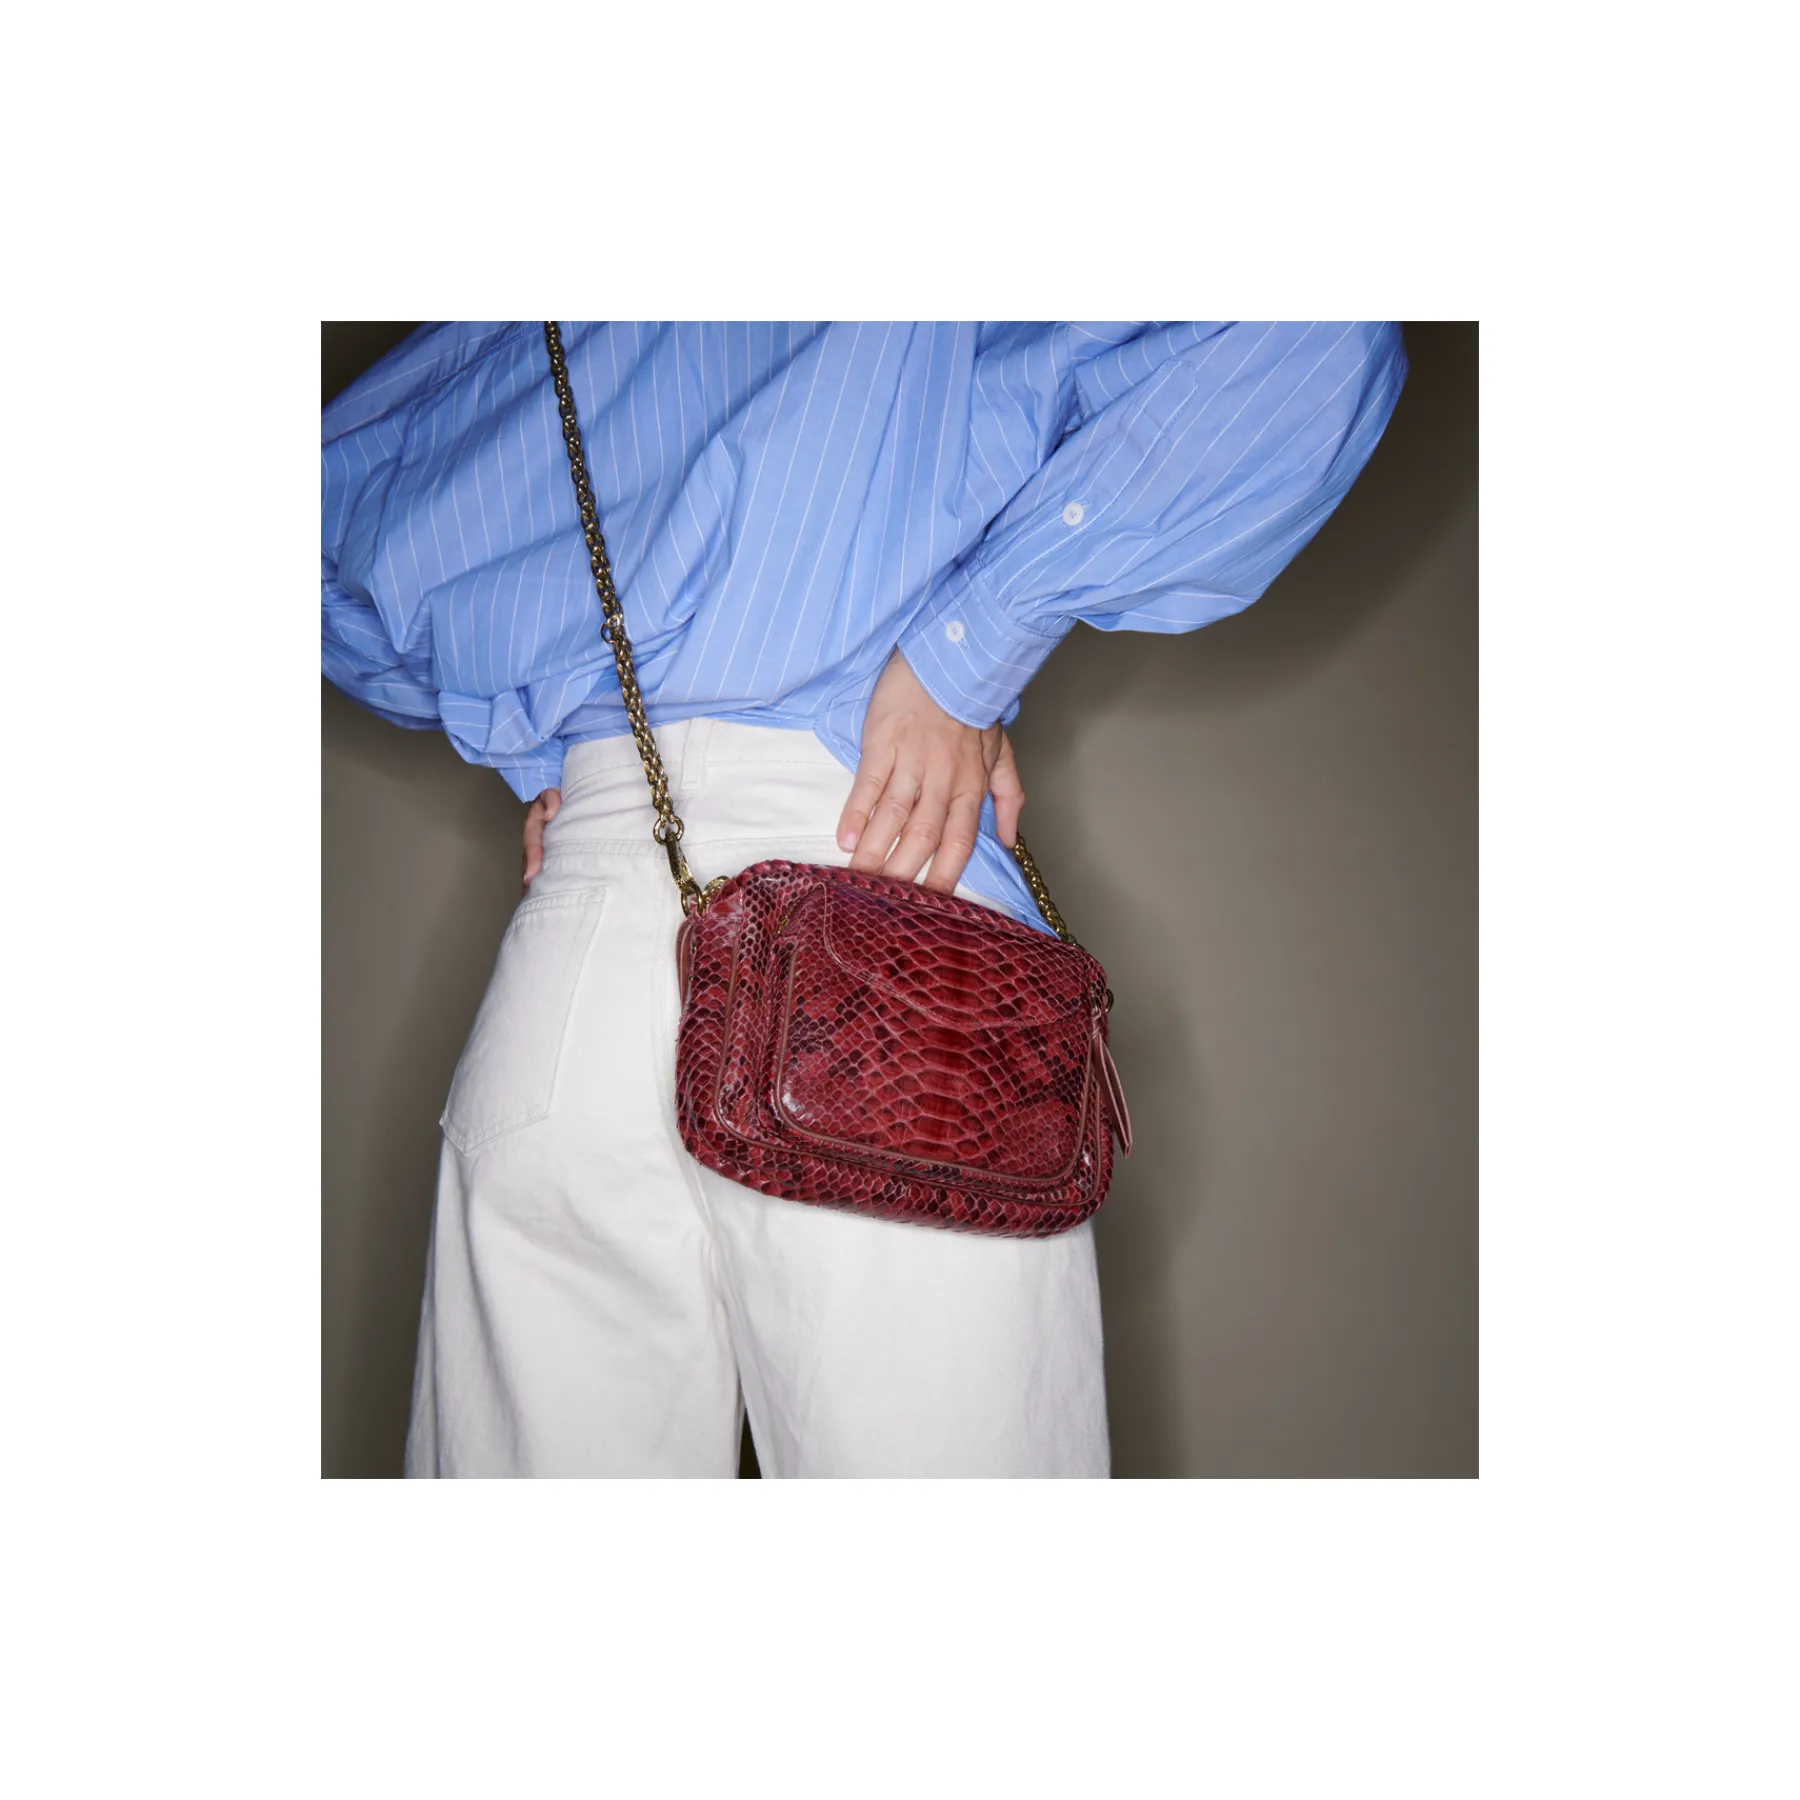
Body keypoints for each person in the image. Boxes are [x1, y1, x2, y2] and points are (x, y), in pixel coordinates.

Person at [322, 321, 1408, 1477]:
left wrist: (557, 755)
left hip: (577, 964)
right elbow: (1320, 332)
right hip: (881, 902)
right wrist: (967, 650)